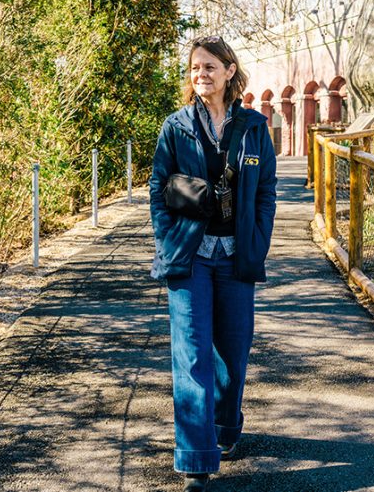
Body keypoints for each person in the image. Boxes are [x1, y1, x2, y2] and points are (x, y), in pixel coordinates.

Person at [149, 35, 278, 492]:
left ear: (228, 71)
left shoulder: (254, 127)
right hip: (190, 257)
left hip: (236, 258)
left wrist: (257, 243)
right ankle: (195, 460)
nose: (200, 74)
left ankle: (225, 429)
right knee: (192, 354)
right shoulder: (176, 126)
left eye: (209, 67)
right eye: (194, 68)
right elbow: (157, 188)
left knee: (233, 354)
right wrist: (168, 241)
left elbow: (265, 192)